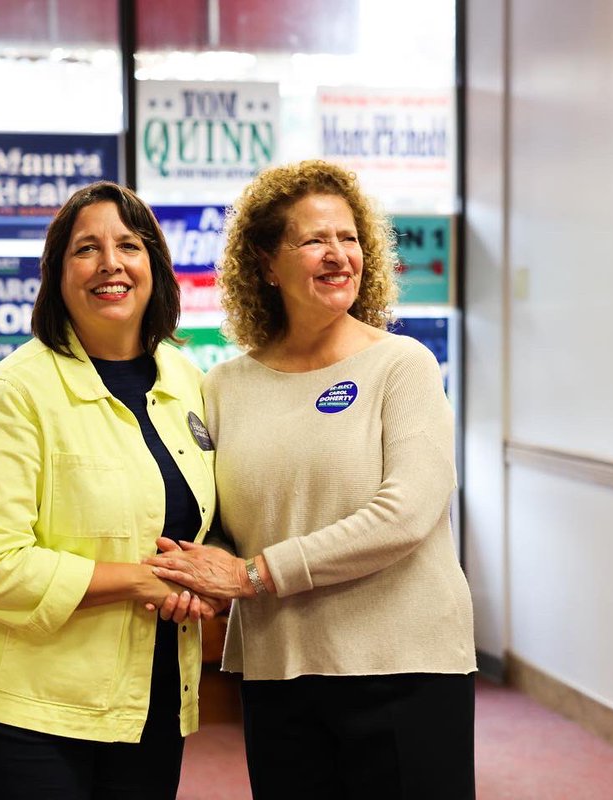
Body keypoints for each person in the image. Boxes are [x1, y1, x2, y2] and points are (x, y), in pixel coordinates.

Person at [147, 160, 477, 799]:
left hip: (404, 668)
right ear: (267, 264)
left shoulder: (403, 366)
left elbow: (404, 515)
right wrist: (202, 570)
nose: (338, 255)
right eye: (314, 240)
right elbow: (218, 522)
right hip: (281, 672)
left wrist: (252, 576)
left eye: (349, 238)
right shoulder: (224, 388)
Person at [0, 181, 221, 800]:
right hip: (18, 712)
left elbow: (196, 513)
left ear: (155, 268)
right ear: (57, 275)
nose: (111, 263)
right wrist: (142, 580)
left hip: (148, 699)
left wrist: (208, 570)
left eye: (129, 245)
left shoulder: (188, 381)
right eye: (87, 249)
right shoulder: (13, 395)